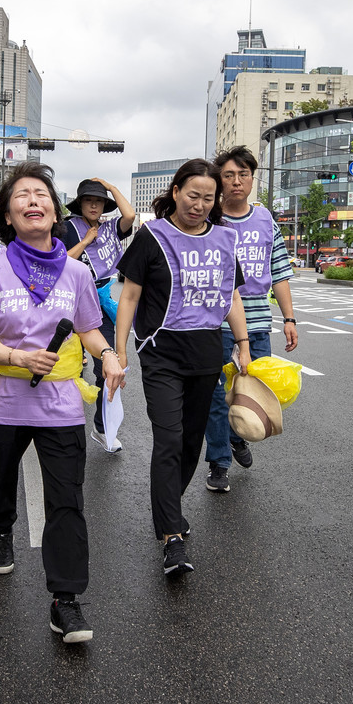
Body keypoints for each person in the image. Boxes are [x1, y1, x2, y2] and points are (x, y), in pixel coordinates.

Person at [0, 161, 124, 644]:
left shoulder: (76, 272)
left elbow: (90, 329)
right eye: (22, 195)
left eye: (42, 195)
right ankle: (2, 530)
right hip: (4, 404)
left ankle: (66, 601)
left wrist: (110, 356)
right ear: (8, 216)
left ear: (55, 212)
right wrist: (16, 356)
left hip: (60, 407)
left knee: (67, 502)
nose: (34, 201)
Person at [113, 158, 250, 579]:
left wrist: (243, 345)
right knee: (169, 439)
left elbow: (230, 298)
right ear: (175, 192)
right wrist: (119, 352)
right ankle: (172, 534)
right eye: (193, 195)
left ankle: (170, 509)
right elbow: (130, 297)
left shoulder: (225, 240)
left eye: (209, 198)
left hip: (207, 354)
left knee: (192, 442)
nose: (200, 205)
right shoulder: (151, 236)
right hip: (161, 354)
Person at [202, 146, 299, 493]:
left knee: (249, 390)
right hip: (216, 322)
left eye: (243, 174)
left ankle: (235, 435)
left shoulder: (265, 219)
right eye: (228, 175)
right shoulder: (210, 219)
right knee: (217, 395)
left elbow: (280, 272)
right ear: (220, 180)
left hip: (258, 322)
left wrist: (289, 318)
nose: (236, 181)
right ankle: (218, 462)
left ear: (252, 179)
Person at [64, 178, 137, 452]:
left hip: (101, 304)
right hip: (71, 302)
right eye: (88, 200)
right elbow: (59, 262)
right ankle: (55, 425)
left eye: (99, 200)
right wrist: (85, 241)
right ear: (80, 203)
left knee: (106, 369)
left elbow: (129, 215)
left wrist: (110, 186)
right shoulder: (67, 227)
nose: (94, 205)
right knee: (63, 367)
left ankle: (101, 426)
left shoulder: (110, 230)